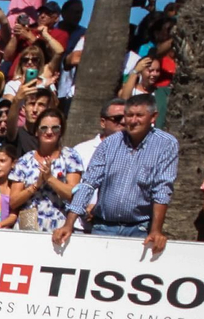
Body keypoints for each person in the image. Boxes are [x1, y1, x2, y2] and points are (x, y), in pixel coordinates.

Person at [54, 93, 177, 255]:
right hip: (103, 226)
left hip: (139, 228)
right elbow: (88, 183)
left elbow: (162, 189)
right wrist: (69, 223)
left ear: (153, 117)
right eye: (129, 115)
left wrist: (156, 230)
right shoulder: (109, 143)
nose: (133, 120)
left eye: (139, 115)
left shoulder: (166, 144)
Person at [7, 109, 82, 233]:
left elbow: (74, 196)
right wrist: (36, 185)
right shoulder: (25, 161)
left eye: (55, 128)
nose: (49, 132)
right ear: (36, 132)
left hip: (58, 226)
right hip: (28, 224)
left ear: (61, 131)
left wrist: (50, 178)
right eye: (44, 128)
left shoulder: (70, 157)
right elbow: (13, 202)